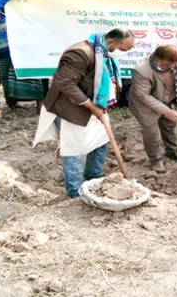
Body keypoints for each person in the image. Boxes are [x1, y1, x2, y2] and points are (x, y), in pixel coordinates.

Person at [34, 29, 135, 198]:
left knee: (102, 142)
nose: (118, 53)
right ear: (111, 42)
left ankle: (93, 176)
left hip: (95, 106)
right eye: (120, 49)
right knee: (76, 150)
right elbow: (66, 84)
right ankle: (76, 192)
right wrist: (91, 107)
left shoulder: (101, 52)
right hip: (71, 109)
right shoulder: (80, 53)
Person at [128, 44, 177, 173]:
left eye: (175, 65)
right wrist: (166, 111)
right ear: (157, 59)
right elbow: (143, 96)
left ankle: (172, 152)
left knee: (169, 125)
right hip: (144, 104)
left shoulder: (176, 58)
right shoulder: (141, 70)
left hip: (166, 99)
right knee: (152, 133)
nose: (173, 68)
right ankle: (155, 160)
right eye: (167, 66)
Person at [0, 0, 47, 111]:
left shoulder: (37, 12)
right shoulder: (4, 10)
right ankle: (12, 105)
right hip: (5, 50)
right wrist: (0, 3)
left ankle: (40, 108)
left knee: (38, 79)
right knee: (7, 78)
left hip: (31, 50)